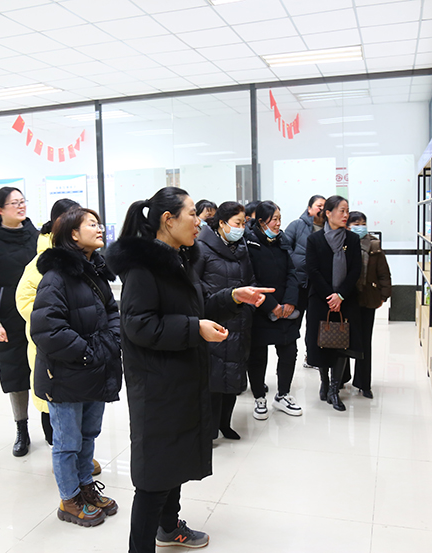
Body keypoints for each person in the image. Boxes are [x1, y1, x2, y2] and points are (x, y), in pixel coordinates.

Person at [106, 187, 271, 553]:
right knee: (154, 475)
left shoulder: (179, 259)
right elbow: (139, 326)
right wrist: (195, 329)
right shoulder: (144, 268)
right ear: (169, 220)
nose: (200, 221)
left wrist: (232, 297)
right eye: (193, 213)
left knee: (174, 461)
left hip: (181, 377)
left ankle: (169, 527)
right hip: (158, 385)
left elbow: (194, 308)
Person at [30, 207, 122, 527]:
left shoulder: (95, 271)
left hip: (94, 369)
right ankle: (69, 500)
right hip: (67, 374)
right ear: (73, 234)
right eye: (92, 224)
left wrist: (110, 343)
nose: (100, 229)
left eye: (99, 224)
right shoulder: (56, 277)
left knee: (88, 436)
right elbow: (46, 330)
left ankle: (85, 488)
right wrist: (88, 352)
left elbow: (112, 311)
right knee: (67, 442)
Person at [0, 186, 39, 456]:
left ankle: (51, 426)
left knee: (45, 369)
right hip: (9, 319)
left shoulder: (36, 236)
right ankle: (22, 429)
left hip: (39, 313)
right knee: (15, 373)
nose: (21, 206)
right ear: (0, 210)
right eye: (15, 203)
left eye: (23, 201)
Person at [16, 198, 78, 447]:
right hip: (51, 343)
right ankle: (60, 453)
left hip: (75, 343)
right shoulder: (42, 261)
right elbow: (24, 300)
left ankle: (73, 453)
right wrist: (56, 321)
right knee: (52, 399)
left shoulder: (77, 255)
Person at [193, 201, 255, 440]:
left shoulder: (241, 247)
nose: (241, 228)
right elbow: (195, 284)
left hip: (240, 318)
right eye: (237, 223)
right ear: (222, 223)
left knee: (234, 374)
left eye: (243, 223)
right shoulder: (202, 248)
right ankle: (208, 431)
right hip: (215, 318)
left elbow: (250, 278)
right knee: (214, 378)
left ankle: (225, 424)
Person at [244, 200, 303, 420]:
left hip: (285, 308)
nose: (278, 223)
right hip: (261, 308)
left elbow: (291, 272)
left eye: (279, 219)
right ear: (261, 222)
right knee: (257, 356)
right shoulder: (249, 244)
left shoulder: (282, 240)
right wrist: (272, 306)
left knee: (289, 351)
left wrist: (289, 303)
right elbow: (251, 278)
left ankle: (283, 395)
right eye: (274, 219)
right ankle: (259, 397)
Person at [305, 195, 363, 411]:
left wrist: (340, 295)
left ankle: (334, 389)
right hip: (321, 300)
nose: (346, 215)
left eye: (347, 210)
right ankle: (324, 381)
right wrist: (330, 295)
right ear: (328, 213)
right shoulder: (314, 239)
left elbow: (356, 269)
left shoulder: (352, 239)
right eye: (342, 210)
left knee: (342, 343)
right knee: (322, 342)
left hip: (345, 300)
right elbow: (312, 270)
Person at [342, 211, 392, 399]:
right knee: (343, 339)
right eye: (356, 224)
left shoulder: (374, 245)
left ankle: (363, 383)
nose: (360, 227)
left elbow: (384, 273)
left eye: (363, 223)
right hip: (346, 299)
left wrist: (383, 296)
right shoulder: (342, 243)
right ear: (348, 226)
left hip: (367, 299)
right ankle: (341, 378)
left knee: (364, 341)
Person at [283, 195, 326, 367]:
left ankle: (311, 357)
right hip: (299, 283)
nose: (321, 209)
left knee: (315, 324)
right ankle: (289, 358)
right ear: (309, 208)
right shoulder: (297, 225)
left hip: (318, 285)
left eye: (324, 206)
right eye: (318, 205)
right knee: (294, 322)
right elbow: (285, 249)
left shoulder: (329, 228)